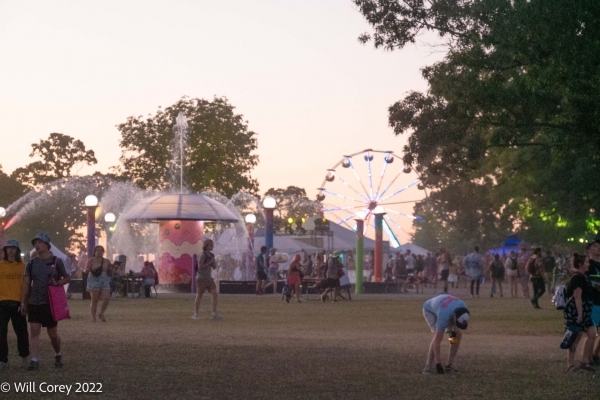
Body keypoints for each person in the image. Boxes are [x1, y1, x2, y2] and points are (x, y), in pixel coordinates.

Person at [21, 233, 71, 371]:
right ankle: (34, 359)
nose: (36, 246)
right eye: (35, 243)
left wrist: (58, 282)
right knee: (34, 331)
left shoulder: (57, 261)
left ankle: (57, 353)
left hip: (50, 303)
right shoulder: (31, 263)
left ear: (47, 245)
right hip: (34, 302)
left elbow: (67, 277)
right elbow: (26, 284)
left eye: (40, 243)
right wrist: (23, 302)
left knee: (52, 333)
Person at [422, 294, 470, 374]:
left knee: (456, 335)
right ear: (454, 317)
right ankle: (428, 366)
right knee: (436, 337)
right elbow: (437, 341)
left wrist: (453, 332)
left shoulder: (464, 307)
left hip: (446, 308)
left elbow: (456, 327)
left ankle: (449, 365)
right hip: (430, 310)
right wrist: (438, 363)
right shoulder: (444, 316)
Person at [563, 253, 596, 372]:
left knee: (592, 334)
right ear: (581, 264)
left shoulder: (583, 276)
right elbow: (577, 296)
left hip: (586, 311)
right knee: (575, 337)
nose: (588, 264)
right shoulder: (577, 277)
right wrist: (580, 314)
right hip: (577, 311)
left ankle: (584, 361)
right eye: (586, 262)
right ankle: (570, 364)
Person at [0, 240, 29, 370]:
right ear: (5, 251)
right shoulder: (1, 265)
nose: (11, 250)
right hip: (2, 303)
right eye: (8, 248)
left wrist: (23, 302)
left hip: (17, 303)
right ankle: (3, 360)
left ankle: (24, 356)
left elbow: (26, 286)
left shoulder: (23, 266)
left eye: (13, 248)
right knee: (1, 333)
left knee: (21, 332)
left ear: (17, 251)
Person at [192, 240, 220, 320]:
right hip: (201, 278)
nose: (212, 246)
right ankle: (196, 314)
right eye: (211, 245)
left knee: (215, 294)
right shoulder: (202, 255)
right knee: (199, 295)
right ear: (206, 246)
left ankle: (214, 313)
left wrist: (213, 262)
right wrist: (209, 262)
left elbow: (214, 267)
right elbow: (200, 267)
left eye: (212, 245)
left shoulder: (211, 255)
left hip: (209, 278)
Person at [86, 246, 112, 322]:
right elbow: (87, 269)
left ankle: (101, 313)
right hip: (94, 279)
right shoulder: (91, 260)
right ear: (94, 251)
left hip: (104, 279)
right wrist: (88, 270)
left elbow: (110, 270)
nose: (99, 252)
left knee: (106, 298)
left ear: (103, 252)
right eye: (97, 250)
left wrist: (111, 269)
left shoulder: (107, 261)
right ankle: (93, 317)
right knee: (94, 300)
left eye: (101, 250)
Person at [585, 237, 600, 365]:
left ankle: (595, 355)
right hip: (593, 302)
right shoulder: (588, 265)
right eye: (594, 246)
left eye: (598, 246)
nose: (598, 248)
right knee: (593, 333)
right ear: (589, 249)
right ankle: (587, 358)